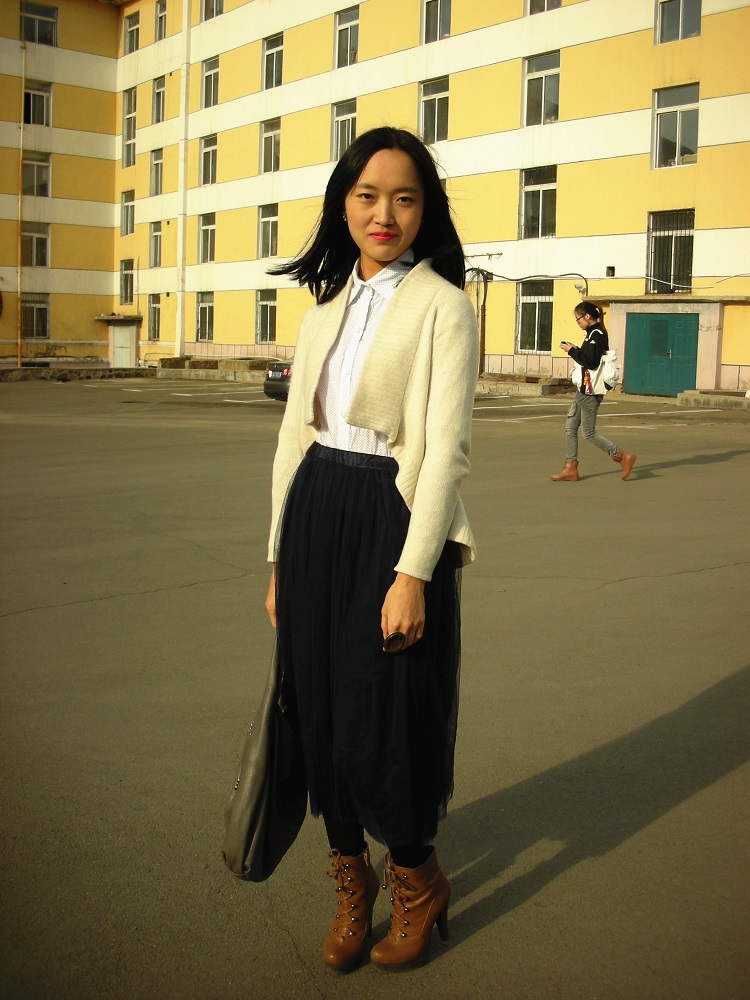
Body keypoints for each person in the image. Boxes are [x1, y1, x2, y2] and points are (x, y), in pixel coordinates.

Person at [264, 127, 478, 972]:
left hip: (392, 517)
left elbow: (446, 451)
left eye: (404, 198)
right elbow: (293, 440)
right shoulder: (322, 312)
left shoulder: (443, 306)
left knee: (388, 714)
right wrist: (278, 562)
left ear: (425, 211)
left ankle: (419, 881)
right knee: (319, 707)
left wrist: (413, 573)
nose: (384, 213)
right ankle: (352, 884)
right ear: (343, 205)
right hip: (316, 511)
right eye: (367, 196)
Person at [552, 301, 636, 482]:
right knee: (570, 427)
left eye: (578, 319)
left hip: (591, 392)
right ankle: (570, 467)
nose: (578, 323)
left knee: (588, 433)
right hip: (583, 389)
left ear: (587, 316)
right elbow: (588, 357)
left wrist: (572, 351)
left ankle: (622, 456)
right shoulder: (592, 334)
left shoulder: (597, 334)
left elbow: (591, 363)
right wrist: (576, 349)